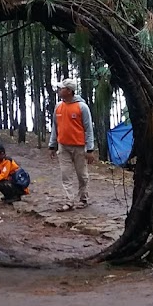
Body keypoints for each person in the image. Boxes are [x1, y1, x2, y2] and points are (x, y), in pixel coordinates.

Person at [48, 77, 95, 211]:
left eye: (61, 88)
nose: (58, 90)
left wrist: (90, 149)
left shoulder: (82, 107)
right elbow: (55, 127)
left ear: (69, 91)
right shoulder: (58, 107)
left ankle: (83, 198)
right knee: (65, 174)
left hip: (79, 147)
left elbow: (88, 129)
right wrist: (52, 145)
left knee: (82, 175)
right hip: (63, 146)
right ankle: (69, 201)